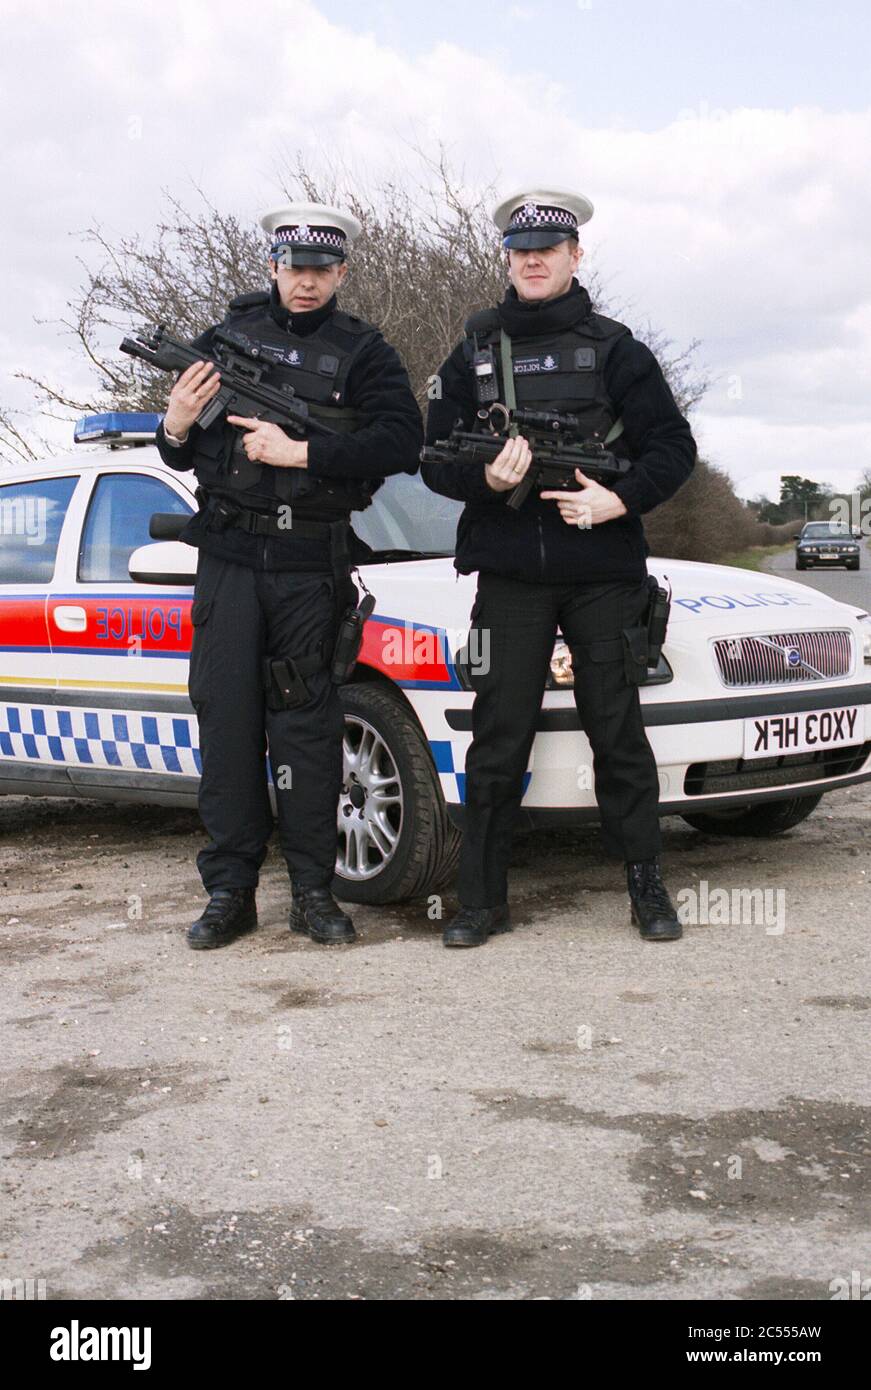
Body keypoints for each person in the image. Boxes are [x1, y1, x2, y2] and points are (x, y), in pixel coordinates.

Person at [421, 189, 697, 947]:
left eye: (548, 248)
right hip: (508, 572)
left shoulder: (615, 348)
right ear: (506, 259)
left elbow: (673, 447)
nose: (532, 260)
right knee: (498, 734)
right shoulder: (474, 348)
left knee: (616, 730)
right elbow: (432, 455)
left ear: (575, 257)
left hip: (602, 569)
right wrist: (491, 483)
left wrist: (619, 500)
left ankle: (646, 888)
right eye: (519, 250)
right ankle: (480, 900)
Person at [155, 203, 423, 950]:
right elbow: (177, 452)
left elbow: (403, 439)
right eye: (293, 268)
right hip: (232, 561)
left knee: (306, 733)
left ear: (340, 273)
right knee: (228, 725)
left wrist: (300, 453)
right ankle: (230, 894)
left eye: (320, 270)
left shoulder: (364, 351)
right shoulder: (226, 339)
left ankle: (313, 892)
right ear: (272, 267)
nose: (305, 283)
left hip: (310, 562)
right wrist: (175, 421)